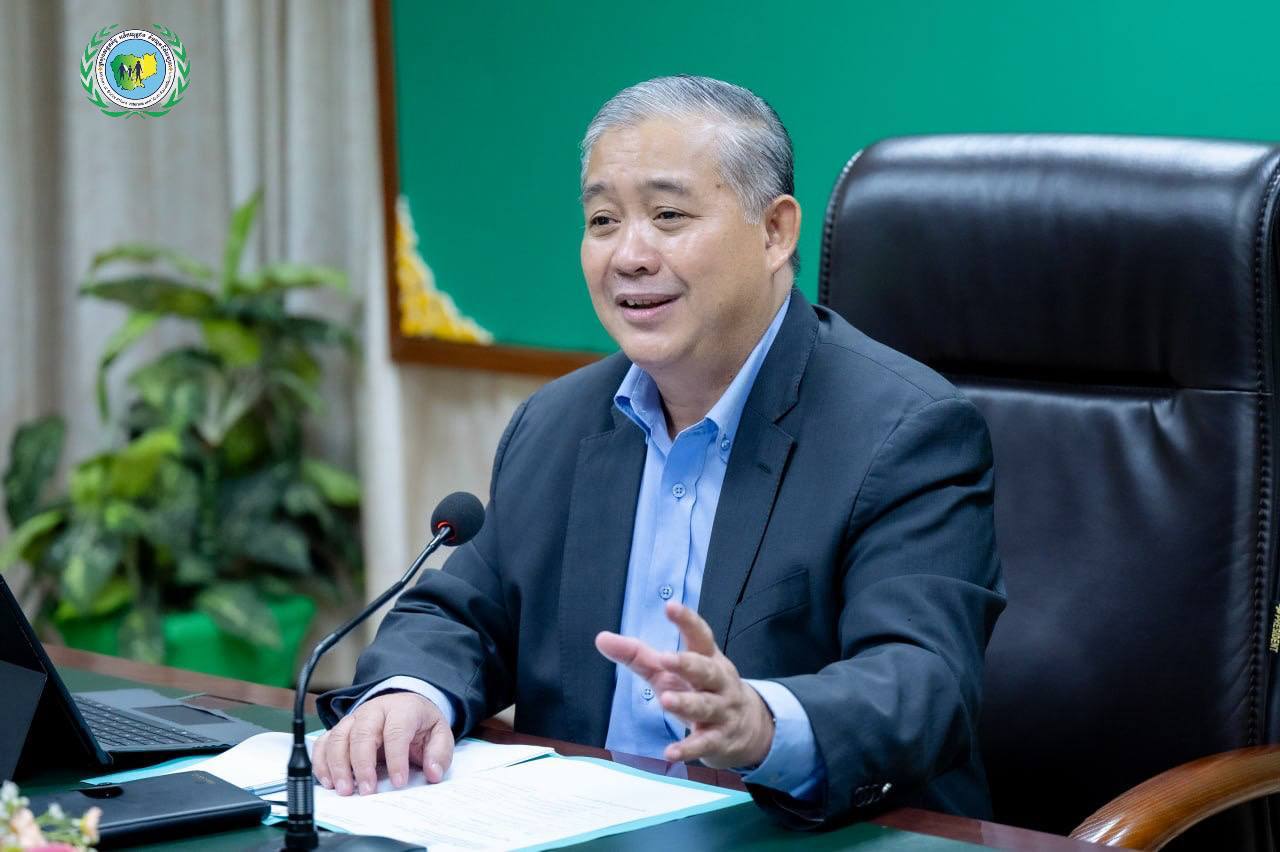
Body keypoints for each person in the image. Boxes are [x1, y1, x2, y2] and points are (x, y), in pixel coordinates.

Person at [314, 75, 1005, 827]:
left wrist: (762, 724)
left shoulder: (907, 432)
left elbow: (922, 682)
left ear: (775, 232)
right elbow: (462, 614)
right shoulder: (557, 423)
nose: (629, 255)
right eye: (603, 220)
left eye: (668, 215)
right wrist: (412, 692)